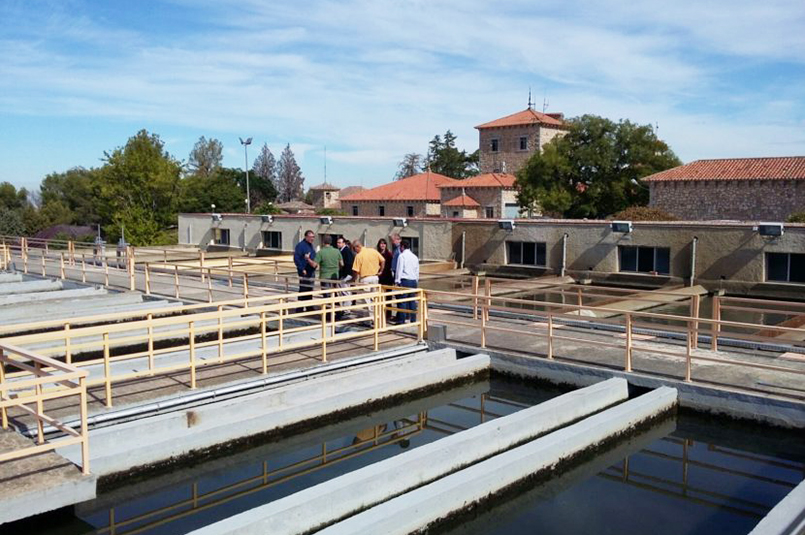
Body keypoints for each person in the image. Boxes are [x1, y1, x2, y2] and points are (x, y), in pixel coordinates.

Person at [351, 240, 385, 324]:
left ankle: (369, 319)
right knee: (375, 299)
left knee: (366, 300)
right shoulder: (373, 251)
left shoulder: (359, 256)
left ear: (357, 247)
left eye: (354, 249)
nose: (354, 251)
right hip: (375, 277)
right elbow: (383, 260)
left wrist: (353, 280)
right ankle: (376, 317)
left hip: (365, 279)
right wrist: (381, 271)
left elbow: (355, 270)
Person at [317, 235, 343, 319]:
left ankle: (328, 314)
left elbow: (314, 264)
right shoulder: (337, 251)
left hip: (325, 275)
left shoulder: (321, 252)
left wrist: (308, 258)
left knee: (326, 295)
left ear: (323, 242)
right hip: (335, 275)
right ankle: (338, 311)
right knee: (334, 293)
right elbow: (342, 264)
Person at [394, 239, 420, 323]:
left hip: (404, 280)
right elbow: (417, 271)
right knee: (412, 301)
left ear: (402, 247)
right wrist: (416, 280)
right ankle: (413, 319)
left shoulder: (402, 256)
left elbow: (399, 269)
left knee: (402, 301)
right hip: (413, 281)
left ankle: (401, 320)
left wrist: (397, 281)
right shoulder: (415, 257)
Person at [293, 230, 318, 312]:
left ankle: (309, 306)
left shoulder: (311, 246)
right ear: (306, 237)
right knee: (303, 289)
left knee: (310, 289)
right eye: (311, 237)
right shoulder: (300, 246)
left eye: (313, 237)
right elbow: (296, 259)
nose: (312, 239)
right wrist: (302, 269)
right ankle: (300, 308)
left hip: (311, 271)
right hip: (304, 272)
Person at [377, 238, 394, 320]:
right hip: (380, 277)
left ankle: (388, 314)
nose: (382, 245)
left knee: (388, 297)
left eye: (384, 243)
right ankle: (380, 313)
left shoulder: (389, 254)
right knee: (379, 296)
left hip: (387, 277)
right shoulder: (377, 253)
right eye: (381, 243)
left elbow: (391, 266)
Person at [336, 237, 354, 309]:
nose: (338, 244)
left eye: (340, 243)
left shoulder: (346, 251)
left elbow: (349, 263)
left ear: (344, 243)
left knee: (345, 291)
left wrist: (346, 274)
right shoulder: (341, 250)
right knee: (343, 291)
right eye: (337, 243)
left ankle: (347, 308)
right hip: (344, 274)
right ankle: (345, 307)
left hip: (346, 274)